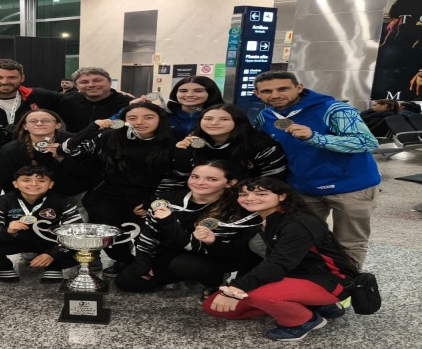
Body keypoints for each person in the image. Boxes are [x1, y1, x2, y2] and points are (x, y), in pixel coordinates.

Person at [198, 177, 358, 342]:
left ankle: (304, 321)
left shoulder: (298, 223)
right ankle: (313, 305)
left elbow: (278, 264)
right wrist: (212, 241)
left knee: (255, 295)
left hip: (329, 279)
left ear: (282, 196)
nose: (250, 198)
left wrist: (236, 289)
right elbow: (240, 254)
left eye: (261, 193)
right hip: (291, 276)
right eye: (243, 194)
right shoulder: (257, 219)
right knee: (212, 306)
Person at [252, 70, 379, 269]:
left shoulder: (335, 109)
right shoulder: (265, 116)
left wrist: (316, 137)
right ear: (257, 94)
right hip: (303, 189)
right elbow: (257, 145)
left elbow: (366, 142)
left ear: (299, 88)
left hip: (351, 187)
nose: (275, 95)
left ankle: (348, 284)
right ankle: (312, 278)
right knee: (302, 237)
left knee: (350, 241)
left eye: (283, 88)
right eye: (267, 91)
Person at [57, 103, 182, 276]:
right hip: (108, 195)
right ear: (123, 120)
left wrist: (153, 201)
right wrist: (92, 128)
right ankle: (123, 260)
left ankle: (151, 265)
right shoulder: (110, 136)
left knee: (149, 235)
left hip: (148, 196)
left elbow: (176, 176)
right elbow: (66, 150)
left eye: (148, 117)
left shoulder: (173, 139)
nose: (140, 122)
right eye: (132, 118)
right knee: (110, 233)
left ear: (160, 120)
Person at [115, 161, 242, 295]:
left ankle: (216, 281)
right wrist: (143, 263)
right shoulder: (166, 199)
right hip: (173, 252)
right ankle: (184, 275)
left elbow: (201, 248)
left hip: (208, 255)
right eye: (195, 177)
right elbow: (148, 235)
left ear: (230, 183)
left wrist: (169, 221)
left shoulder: (232, 210)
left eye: (212, 179)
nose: (199, 182)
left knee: (185, 265)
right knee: (127, 281)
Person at [0, 165, 83, 283]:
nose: (34, 184)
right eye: (26, 180)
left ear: (51, 184)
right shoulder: (0, 202)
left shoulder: (64, 202)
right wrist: (7, 231)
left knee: (88, 250)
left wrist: (53, 254)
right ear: (15, 184)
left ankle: (55, 267)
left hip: (49, 242)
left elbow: (75, 232)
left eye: (41, 180)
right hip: (12, 241)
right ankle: (4, 267)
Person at [173, 104, 286, 180]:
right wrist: (181, 153)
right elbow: (183, 175)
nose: (214, 123)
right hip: (205, 193)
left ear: (238, 122)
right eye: (208, 119)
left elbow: (273, 180)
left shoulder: (260, 145)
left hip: (248, 196)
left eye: (224, 119)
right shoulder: (194, 141)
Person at [0, 109, 90, 195]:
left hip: (72, 195)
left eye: (45, 121)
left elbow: (88, 173)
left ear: (58, 125)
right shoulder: (9, 150)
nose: (39, 123)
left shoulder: (76, 142)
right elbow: (8, 183)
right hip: (30, 197)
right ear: (25, 126)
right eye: (33, 121)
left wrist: (62, 158)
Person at [0, 59, 62, 131]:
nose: (5, 82)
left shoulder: (38, 95)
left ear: (22, 78)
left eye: (12, 77)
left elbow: (72, 99)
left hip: (27, 152)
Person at [56, 67, 131, 131]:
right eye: (84, 82)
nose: (91, 85)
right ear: (77, 86)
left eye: (97, 80)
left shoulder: (129, 104)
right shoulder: (67, 102)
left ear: (110, 82)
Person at [165, 76, 225, 140]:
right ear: (175, 93)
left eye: (198, 91)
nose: (189, 95)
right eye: (183, 91)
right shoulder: (162, 115)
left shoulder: (225, 116)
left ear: (211, 93)